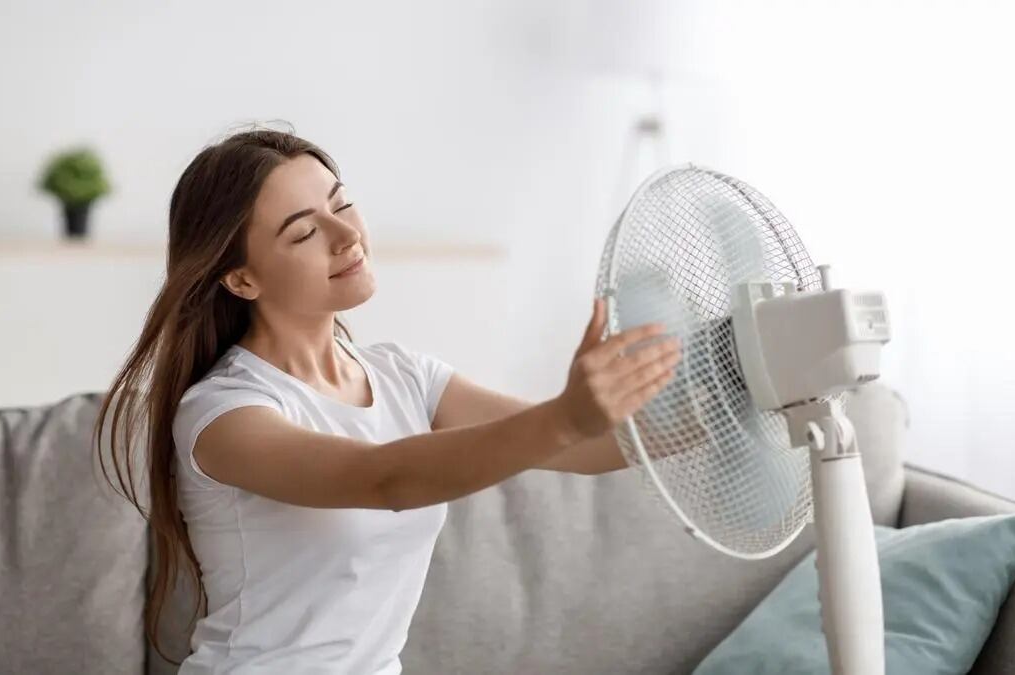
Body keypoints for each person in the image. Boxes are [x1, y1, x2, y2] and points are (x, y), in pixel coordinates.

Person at [96, 126, 681, 674]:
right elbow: (385, 480)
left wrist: (750, 402)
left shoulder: (405, 376)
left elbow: (591, 448)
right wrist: (564, 417)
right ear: (242, 280)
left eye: (342, 204)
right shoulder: (222, 414)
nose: (347, 236)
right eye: (304, 232)